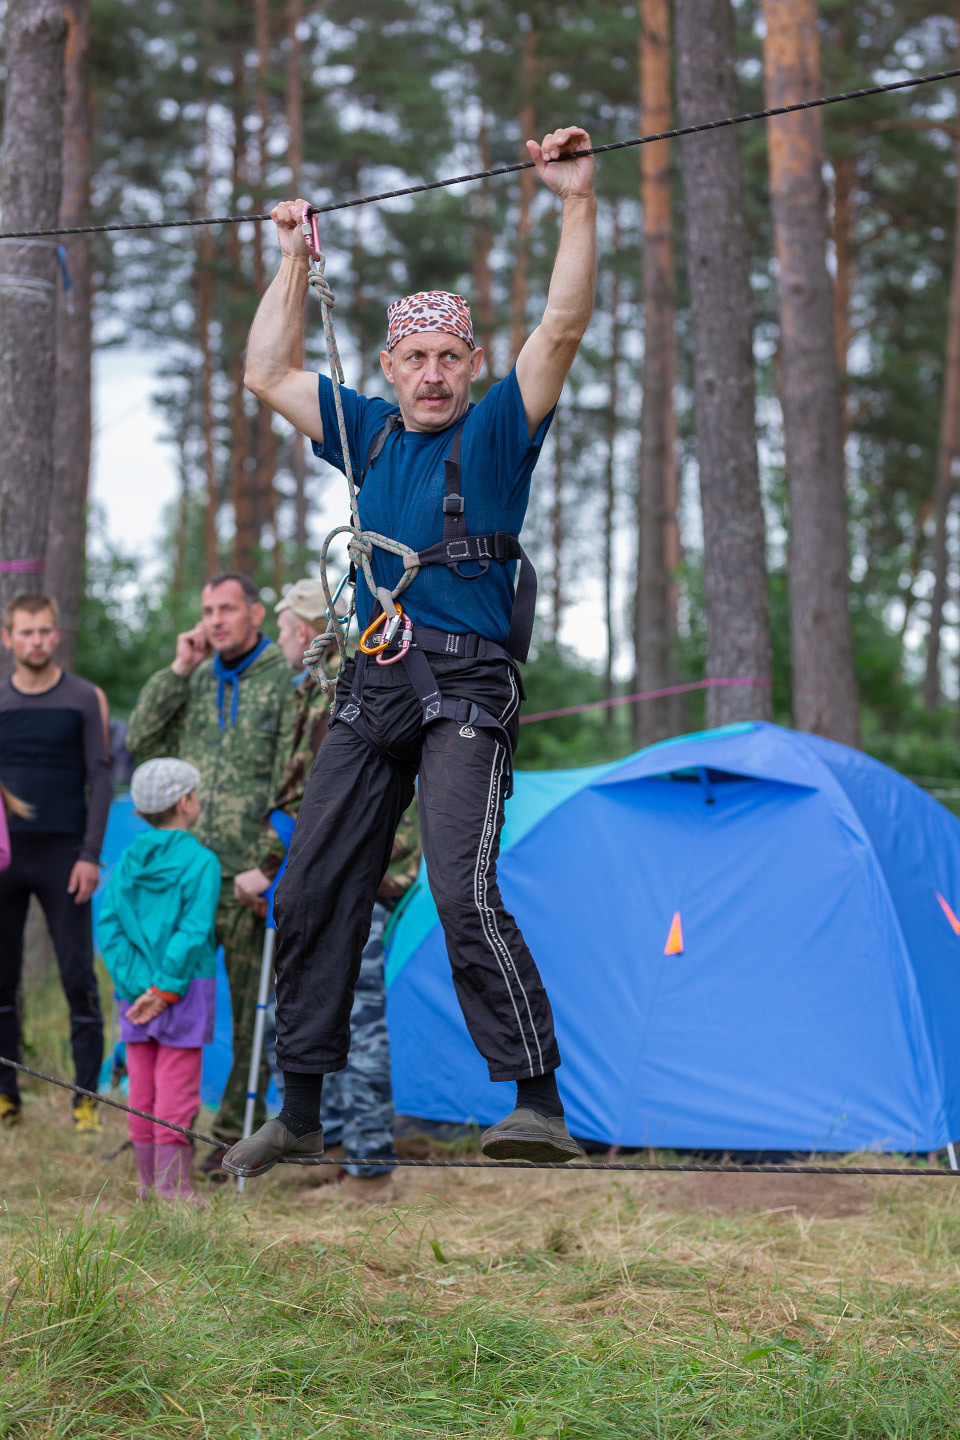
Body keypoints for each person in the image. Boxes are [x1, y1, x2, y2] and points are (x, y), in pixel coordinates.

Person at [223, 125, 597, 1179]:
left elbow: (563, 323)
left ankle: (536, 1101)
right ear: (388, 367)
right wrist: (294, 255)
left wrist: (574, 201)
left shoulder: (494, 433)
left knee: (458, 883)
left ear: (472, 365)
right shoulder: (370, 434)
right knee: (310, 888)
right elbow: (263, 367)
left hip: (468, 682)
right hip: (375, 677)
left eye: (449, 358)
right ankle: (301, 1108)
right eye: (415, 359)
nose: (433, 375)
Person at [234, 579, 410, 1201]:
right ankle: (335, 1151)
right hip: (346, 872)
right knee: (323, 1013)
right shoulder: (348, 676)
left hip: (359, 875)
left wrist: (268, 865)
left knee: (354, 1022)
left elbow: (306, 797)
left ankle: (371, 1172)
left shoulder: (332, 687)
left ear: (306, 631)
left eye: (283, 629)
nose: (281, 641)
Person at [126, 572, 297, 1165]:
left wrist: (269, 865)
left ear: (255, 613)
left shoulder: (284, 679)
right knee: (174, 1000)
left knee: (255, 1013)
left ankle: (232, 1137)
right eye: (207, 609)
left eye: (227, 608)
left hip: (248, 879)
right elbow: (142, 741)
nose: (215, 619)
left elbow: (296, 776)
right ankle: (162, 1130)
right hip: (188, 879)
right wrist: (177, 669)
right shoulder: (195, 677)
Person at [0, 593, 112, 1132]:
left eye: (45, 631)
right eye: (26, 633)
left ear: (56, 635)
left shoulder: (85, 697)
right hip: (5, 856)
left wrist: (90, 855)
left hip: (66, 856)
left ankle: (85, 1098)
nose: (36, 641)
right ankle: (6, 1096)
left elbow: (103, 777)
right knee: (2, 979)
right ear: (9, 638)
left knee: (76, 979)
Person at [97, 759, 221, 1204]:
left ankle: (149, 1185)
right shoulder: (203, 862)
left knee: (142, 1089)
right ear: (186, 803)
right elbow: (194, 930)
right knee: (178, 1092)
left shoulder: (127, 861)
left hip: (134, 996)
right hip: (182, 993)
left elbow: (108, 927)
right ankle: (174, 1189)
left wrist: (138, 986)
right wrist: (164, 989)